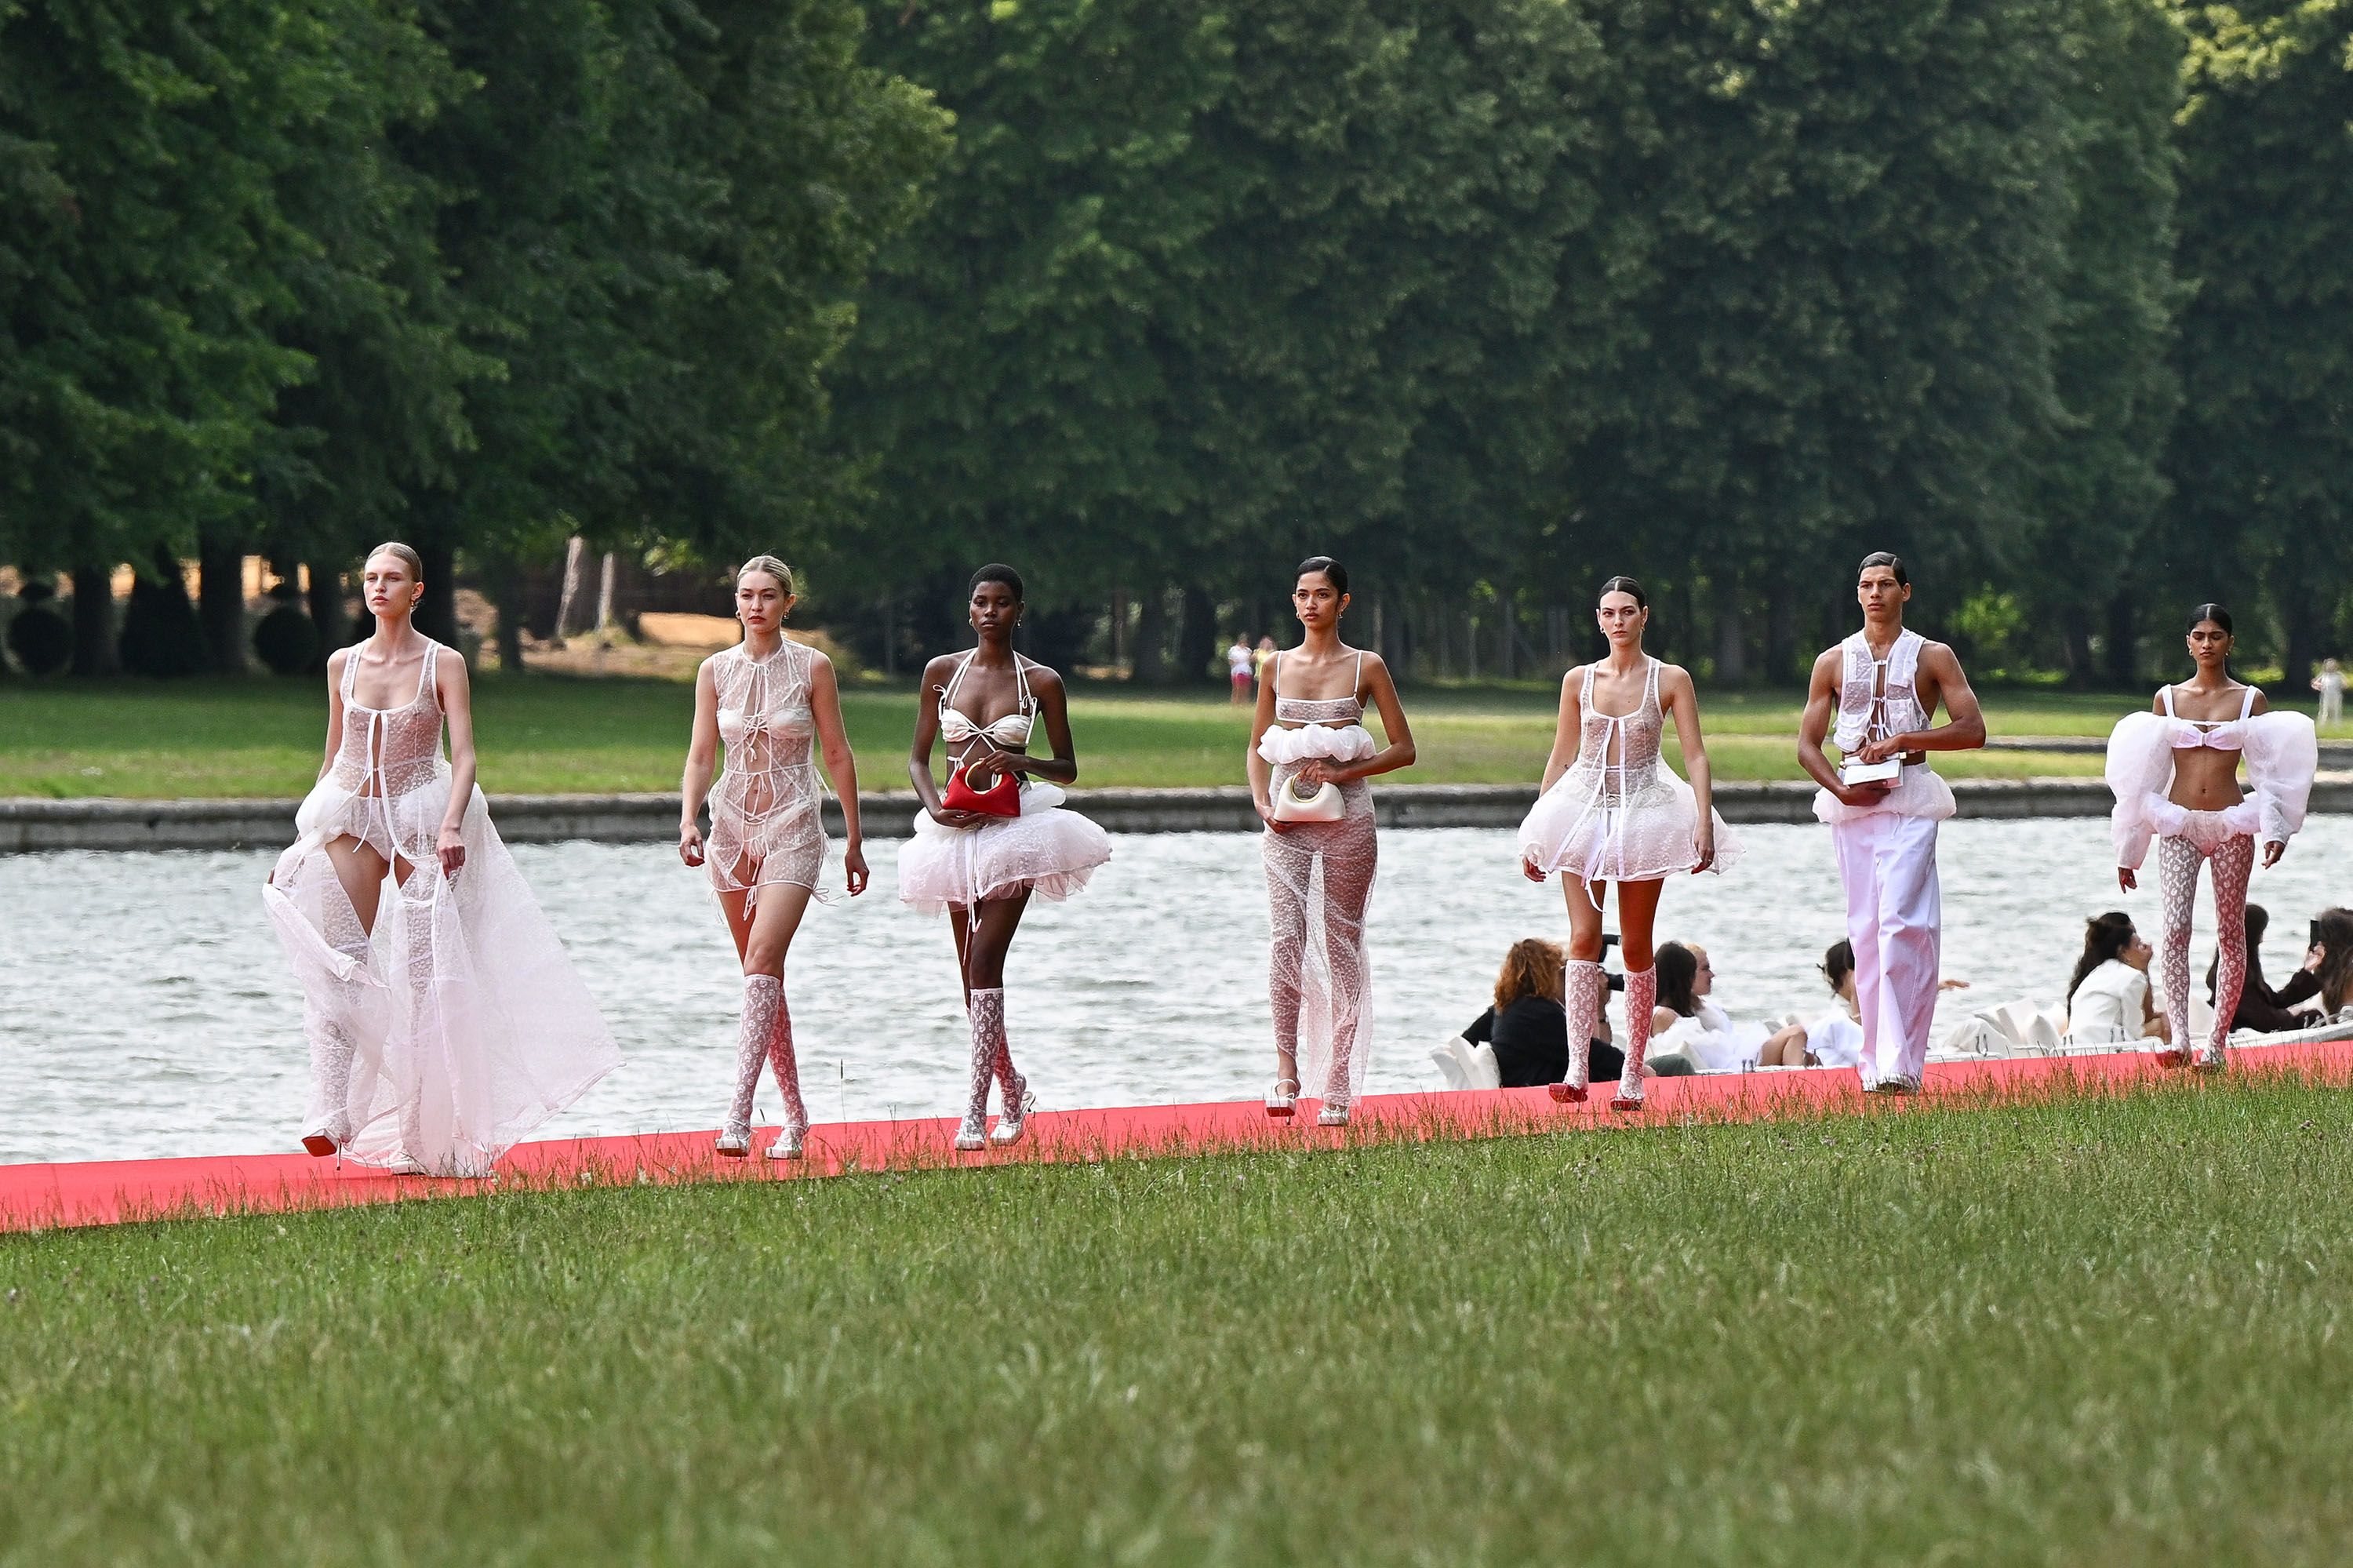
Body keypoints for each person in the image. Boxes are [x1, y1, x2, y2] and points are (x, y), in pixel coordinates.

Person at [263, 542, 620, 1176]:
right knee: (337, 957)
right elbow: (331, 754)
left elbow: (466, 756)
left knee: (424, 977)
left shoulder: (442, 662)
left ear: (416, 591)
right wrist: (302, 839)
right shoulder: (342, 663)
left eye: (392, 578)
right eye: (370, 577)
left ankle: (418, 1136)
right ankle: (329, 1110)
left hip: (419, 812)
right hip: (349, 811)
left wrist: (452, 824)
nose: (379, 587)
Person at [902, 566, 1111, 1151]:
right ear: (969, 611)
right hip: (953, 833)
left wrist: (1025, 763)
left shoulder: (1040, 682)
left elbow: (1067, 767)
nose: (990, 611)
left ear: (1020, 610)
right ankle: (1011, 1083)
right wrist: (936, 808)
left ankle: (975, 1108)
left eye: (1001, 603)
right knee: (969, 970)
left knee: (987, 957)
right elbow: (919, 760)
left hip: (1015, 832)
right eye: (980, 602)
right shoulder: (942, 672)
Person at [1519, 575, 1738, 1108]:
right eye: (1609, 613)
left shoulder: (1671, 679)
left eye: (1627, 612)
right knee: (1582, 938)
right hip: (1583, 811)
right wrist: (1537, 828)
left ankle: (1632, 1074)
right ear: (1599, 620)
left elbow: (1695, 754)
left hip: (1644, 810)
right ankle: (1577, 1069)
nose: (1618, 621)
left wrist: (1703, 822)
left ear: (1645, 616)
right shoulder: (1578, 680)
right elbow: (1561, 755)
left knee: (1638, 943)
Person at [678, 556, 869, 1162]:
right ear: (735, 602)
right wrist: (689, 818)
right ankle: (796, 1116)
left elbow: (837, 754)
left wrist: (855, 840)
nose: (755, 605)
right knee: (763, 977)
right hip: (731, 827)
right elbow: (701, 755)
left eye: (767, 595)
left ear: (789, 602)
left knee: (763, 958)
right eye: (746, 595)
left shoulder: (813, 667)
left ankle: (738, 1115)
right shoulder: (714, 670)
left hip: (793, 824)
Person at [1797, 552, 1986, 1094]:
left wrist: (1907, 740)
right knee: (1867, 933)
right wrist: (1839, 790)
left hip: (1911, 799)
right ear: (1857, 593)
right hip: (1853, 805)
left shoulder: (1934, 655)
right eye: (1866, 584)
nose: (1875, 592)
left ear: (1907, 590)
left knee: (1903, 923)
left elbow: (1973, 728)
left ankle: (1904, 1060)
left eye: (1885, 584)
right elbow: (1807, 745)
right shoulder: (1832, 661)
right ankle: (1877, 1064)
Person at [2106, 603, 2318, 1069]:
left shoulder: (2249, 701)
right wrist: (2130, 849)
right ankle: (2180, 1038)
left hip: (2229, 827)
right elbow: (2146, 777)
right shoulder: (2167, 699)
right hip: (2179, 824)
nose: (2207, 644)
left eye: (2216, 636)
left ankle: (2217, 1042)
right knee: (2176, 928)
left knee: (2230, 931)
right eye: (2199, 635)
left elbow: (2270, 775)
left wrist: (2276, 832)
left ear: (2229, 642)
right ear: (2188, 642)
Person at [1248, 556, 1417, 1126]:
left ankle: (1340, 1078)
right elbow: (1255, 748)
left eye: (1322, 594)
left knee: (1341, 941)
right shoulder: (1274, 667)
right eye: (1301, 594)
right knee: (1284, 938)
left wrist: (1343, 774)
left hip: (1348, 818)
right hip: (1285, 821)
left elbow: (1403, 747)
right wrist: (1262, 803)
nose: (1309, 604)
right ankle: (1286, 1070)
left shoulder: (1366, 666)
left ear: (1343, 602)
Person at [1461, 938, 1624, 1089]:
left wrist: (1597, 1008)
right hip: (1544, 1089)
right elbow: (1591, 1052)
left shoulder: (1505, 1008)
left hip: (1524, 1082)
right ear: (1547, 973)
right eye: (1560, 972)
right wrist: (1633, 1067)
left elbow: (1467, 1039)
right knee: (1648, 1067)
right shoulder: (1540, 1014)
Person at [1643, 942, 1807, 1074]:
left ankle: (1798, 1081)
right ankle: (1798, 1086)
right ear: (1682, 979)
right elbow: (1711, 1050)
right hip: (1731, 1068)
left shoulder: (1692, 1011)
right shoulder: (1664, 1015)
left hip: (1732, 1062)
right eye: (1692, 975)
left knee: (1796, 1038)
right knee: (1796, 1033)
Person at [2206, 904, 2322, 1035]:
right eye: (2260, 933)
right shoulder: (2233, 979)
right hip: (2246, 1036)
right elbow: (2263, 1020)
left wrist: (2306, 970)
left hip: (2259, 1028)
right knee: (2312, 1018)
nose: (2261, 940)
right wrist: (2289, 1014)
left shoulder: (2248, 972)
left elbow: (2277, 1001)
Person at [2063, 912, 2167, 1044]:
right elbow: (2134, 1030)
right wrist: (2142, 968)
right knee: (2161, 1032)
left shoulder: (2093, 975)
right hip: (2107, 1043)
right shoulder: (2133, 977)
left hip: (2074, 1045)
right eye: (2137, 944)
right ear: (2123, 950)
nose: (2142, 947)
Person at [2314, 657, 2344, 728]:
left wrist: (2342, 685)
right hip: (2326, 695)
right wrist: (2318, 686)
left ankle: (2337, 725)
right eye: (2329, 665)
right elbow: (2315, 683)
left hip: (2336, 695)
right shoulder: (2324, 675)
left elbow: (2345, 683)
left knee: (2336, 710)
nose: (2331, 667)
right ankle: (2322, 724)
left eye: (2332, 665)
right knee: (2324, 710)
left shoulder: (2338, 675)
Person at [1227, 635, 1256, 704]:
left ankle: (1245, 703)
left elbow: (1250, 660)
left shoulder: (1248, 650)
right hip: (1237, 671)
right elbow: (1231, 661)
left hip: (1246, 671)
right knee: (1238, 689)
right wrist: (1236, 661)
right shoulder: (1234, 650)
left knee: (1246, 689)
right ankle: (1235, 703)